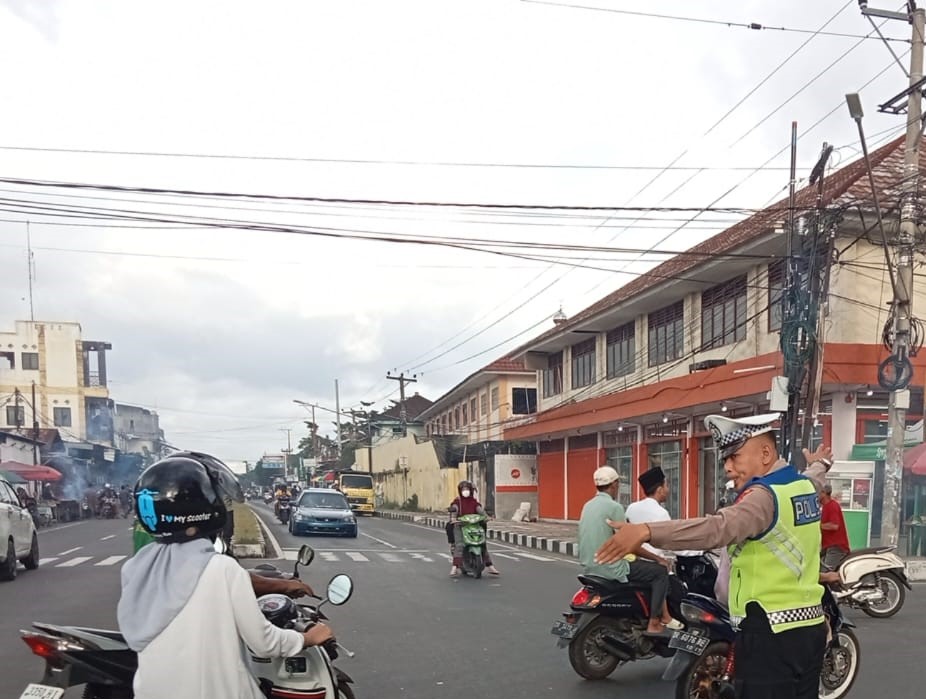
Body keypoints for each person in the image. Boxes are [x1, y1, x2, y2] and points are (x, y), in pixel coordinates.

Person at [595, 414, 832, 699]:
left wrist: (646, 531)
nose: (728, 468)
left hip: (769, 634)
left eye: (735, 457)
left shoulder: (762, 497)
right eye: (725, 460)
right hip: (810, 629)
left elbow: (717, 527)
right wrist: (822, 463)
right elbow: (814, 477)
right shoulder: (801, 486)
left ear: (766, 453)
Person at [118, 453, 333, 699]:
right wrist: (306, 638)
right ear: (206, 508)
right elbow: (264, 642)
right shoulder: (222, 569)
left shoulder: (135, 568)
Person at [579, 466, 680, 636]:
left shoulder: (588, 506)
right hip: (612, 566)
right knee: (660, 572)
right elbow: (629, 543)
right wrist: (657, 558)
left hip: (589, 565)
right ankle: (654, 622)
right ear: (614, 484)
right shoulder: (614, 507)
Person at [625, 466, 701, 560]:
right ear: (660, 490)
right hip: (655, 565)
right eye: (666, 486)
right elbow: (673, 544)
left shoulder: (631, 508)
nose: (668, 490)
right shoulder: (660, 513)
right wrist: (700, 550)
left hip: (635, 562)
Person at [447, 480, 500, 577]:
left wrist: (487, 517)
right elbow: (454, 510)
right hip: (460, 525)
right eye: (463, 489)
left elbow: (480, 511)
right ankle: (454, 567)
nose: (465, 491)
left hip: (474, 526)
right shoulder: (457, 502)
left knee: (482, 544)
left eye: (467, 489)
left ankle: (490, 566)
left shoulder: (474, 502)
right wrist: (454, 518)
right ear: (460, 491)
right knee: (460, 545)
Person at [819, 484, 850, 572]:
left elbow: (834, 525)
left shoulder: (832, 506)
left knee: (826, 573)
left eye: (817, 493)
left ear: (823, 493)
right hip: (827, 547)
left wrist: (817, 525)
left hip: (836, 547)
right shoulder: (825, 507)